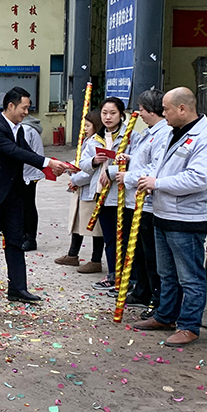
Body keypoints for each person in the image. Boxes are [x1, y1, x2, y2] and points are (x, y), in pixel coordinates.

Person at [135, 87, 207, 347]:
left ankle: (189, 326)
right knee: (166, 273)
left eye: (166, 109)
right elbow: (159, 166)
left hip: (187, 218)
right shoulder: (172, 133)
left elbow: (199, 178)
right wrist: (146, 178)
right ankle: (165, 315)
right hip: (162, 213)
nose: (163, 113)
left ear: (182, 109)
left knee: (190, 276)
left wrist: (158, 183)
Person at [0, 87, 68, 302]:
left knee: (15, 241)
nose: (26, 112)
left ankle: (18, 288)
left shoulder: (19, 129)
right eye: (24, 108)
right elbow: (14, 152)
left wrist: (52, 167)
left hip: (14, 193)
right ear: (11, 106)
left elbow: (27, 153)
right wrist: (47, 162)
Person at [118, 88, 172, 318]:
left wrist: (128, 177)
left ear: (152, 110)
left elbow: (154, 168)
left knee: (152, 255)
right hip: (136, 200)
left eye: (141, 109)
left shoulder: (163, 134)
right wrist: (129, 160)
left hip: (148, 203)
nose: (139, 113)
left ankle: (156, 298)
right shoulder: (149, 133)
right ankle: (142, 290)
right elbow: (143, 160)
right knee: (139, 251)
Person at [79, 97, 128, 292]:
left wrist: (113, 171)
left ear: (121, 115)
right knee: (109, 238)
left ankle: (127, 277)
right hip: (102, 195)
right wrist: (94, 161)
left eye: (113, 113)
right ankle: (113, 274)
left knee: (123, 238)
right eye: (104, 113)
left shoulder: (129, 136)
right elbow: (82, 164)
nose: (108, 117)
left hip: (122, 194)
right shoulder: (94, 139)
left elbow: (136, 162)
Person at [55, 110, 106, 270]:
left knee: (95, 228)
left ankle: (96, 260)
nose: (84, 128)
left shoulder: (97, 143)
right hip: (81, 191)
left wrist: (75, 180)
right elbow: (81, 160)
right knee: (77, 223)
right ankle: (72, 254)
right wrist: (69, 166)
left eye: (88, 125)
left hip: (91, 191)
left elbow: (91, 170)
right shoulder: (88, 140)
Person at [19, 113, 46, 251]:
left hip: (28, 173)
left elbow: (21, 153)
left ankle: (30, 238)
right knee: (22, 205)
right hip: (26, 172)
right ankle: (23, 235)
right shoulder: (23, 127)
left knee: (27, 205)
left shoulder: (26, 129)